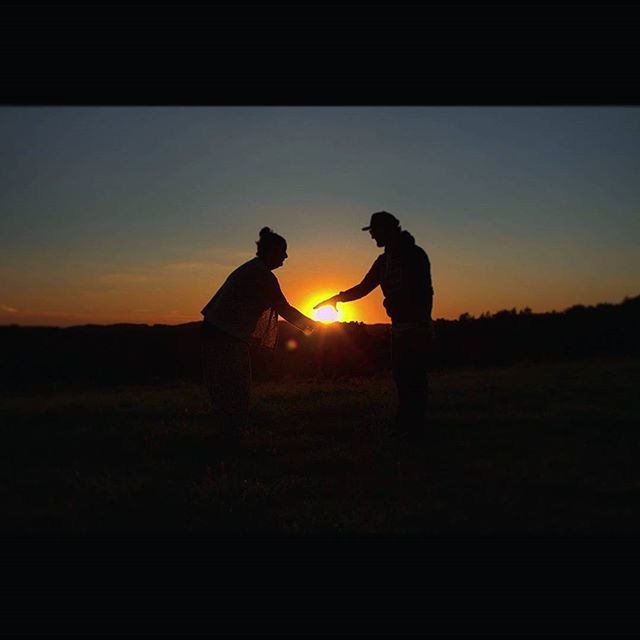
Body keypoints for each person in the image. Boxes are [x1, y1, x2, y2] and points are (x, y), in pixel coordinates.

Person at [314, 211, 434, 442]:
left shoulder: (414, 255)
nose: (372, 237)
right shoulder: (384, 261)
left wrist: (419, 325)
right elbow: (363, 288)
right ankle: (407, 426)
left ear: (388, 230)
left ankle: (414, 429)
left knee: (414, 379)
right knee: (402, 378)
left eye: (374, 231)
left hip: (415, 328)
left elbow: (424, 293)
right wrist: (336, 298)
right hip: (400, 328)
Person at [201, 227, 317, 445]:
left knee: (230, 388)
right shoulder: (261, 275)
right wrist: (314, 329)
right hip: (224, 336)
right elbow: (285, 309)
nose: (286, 256)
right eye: (283, 251)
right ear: (272, 251)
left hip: (220, 333)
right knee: (234, 388)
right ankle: (231, 438)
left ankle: (229, 435)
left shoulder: (253, 270)